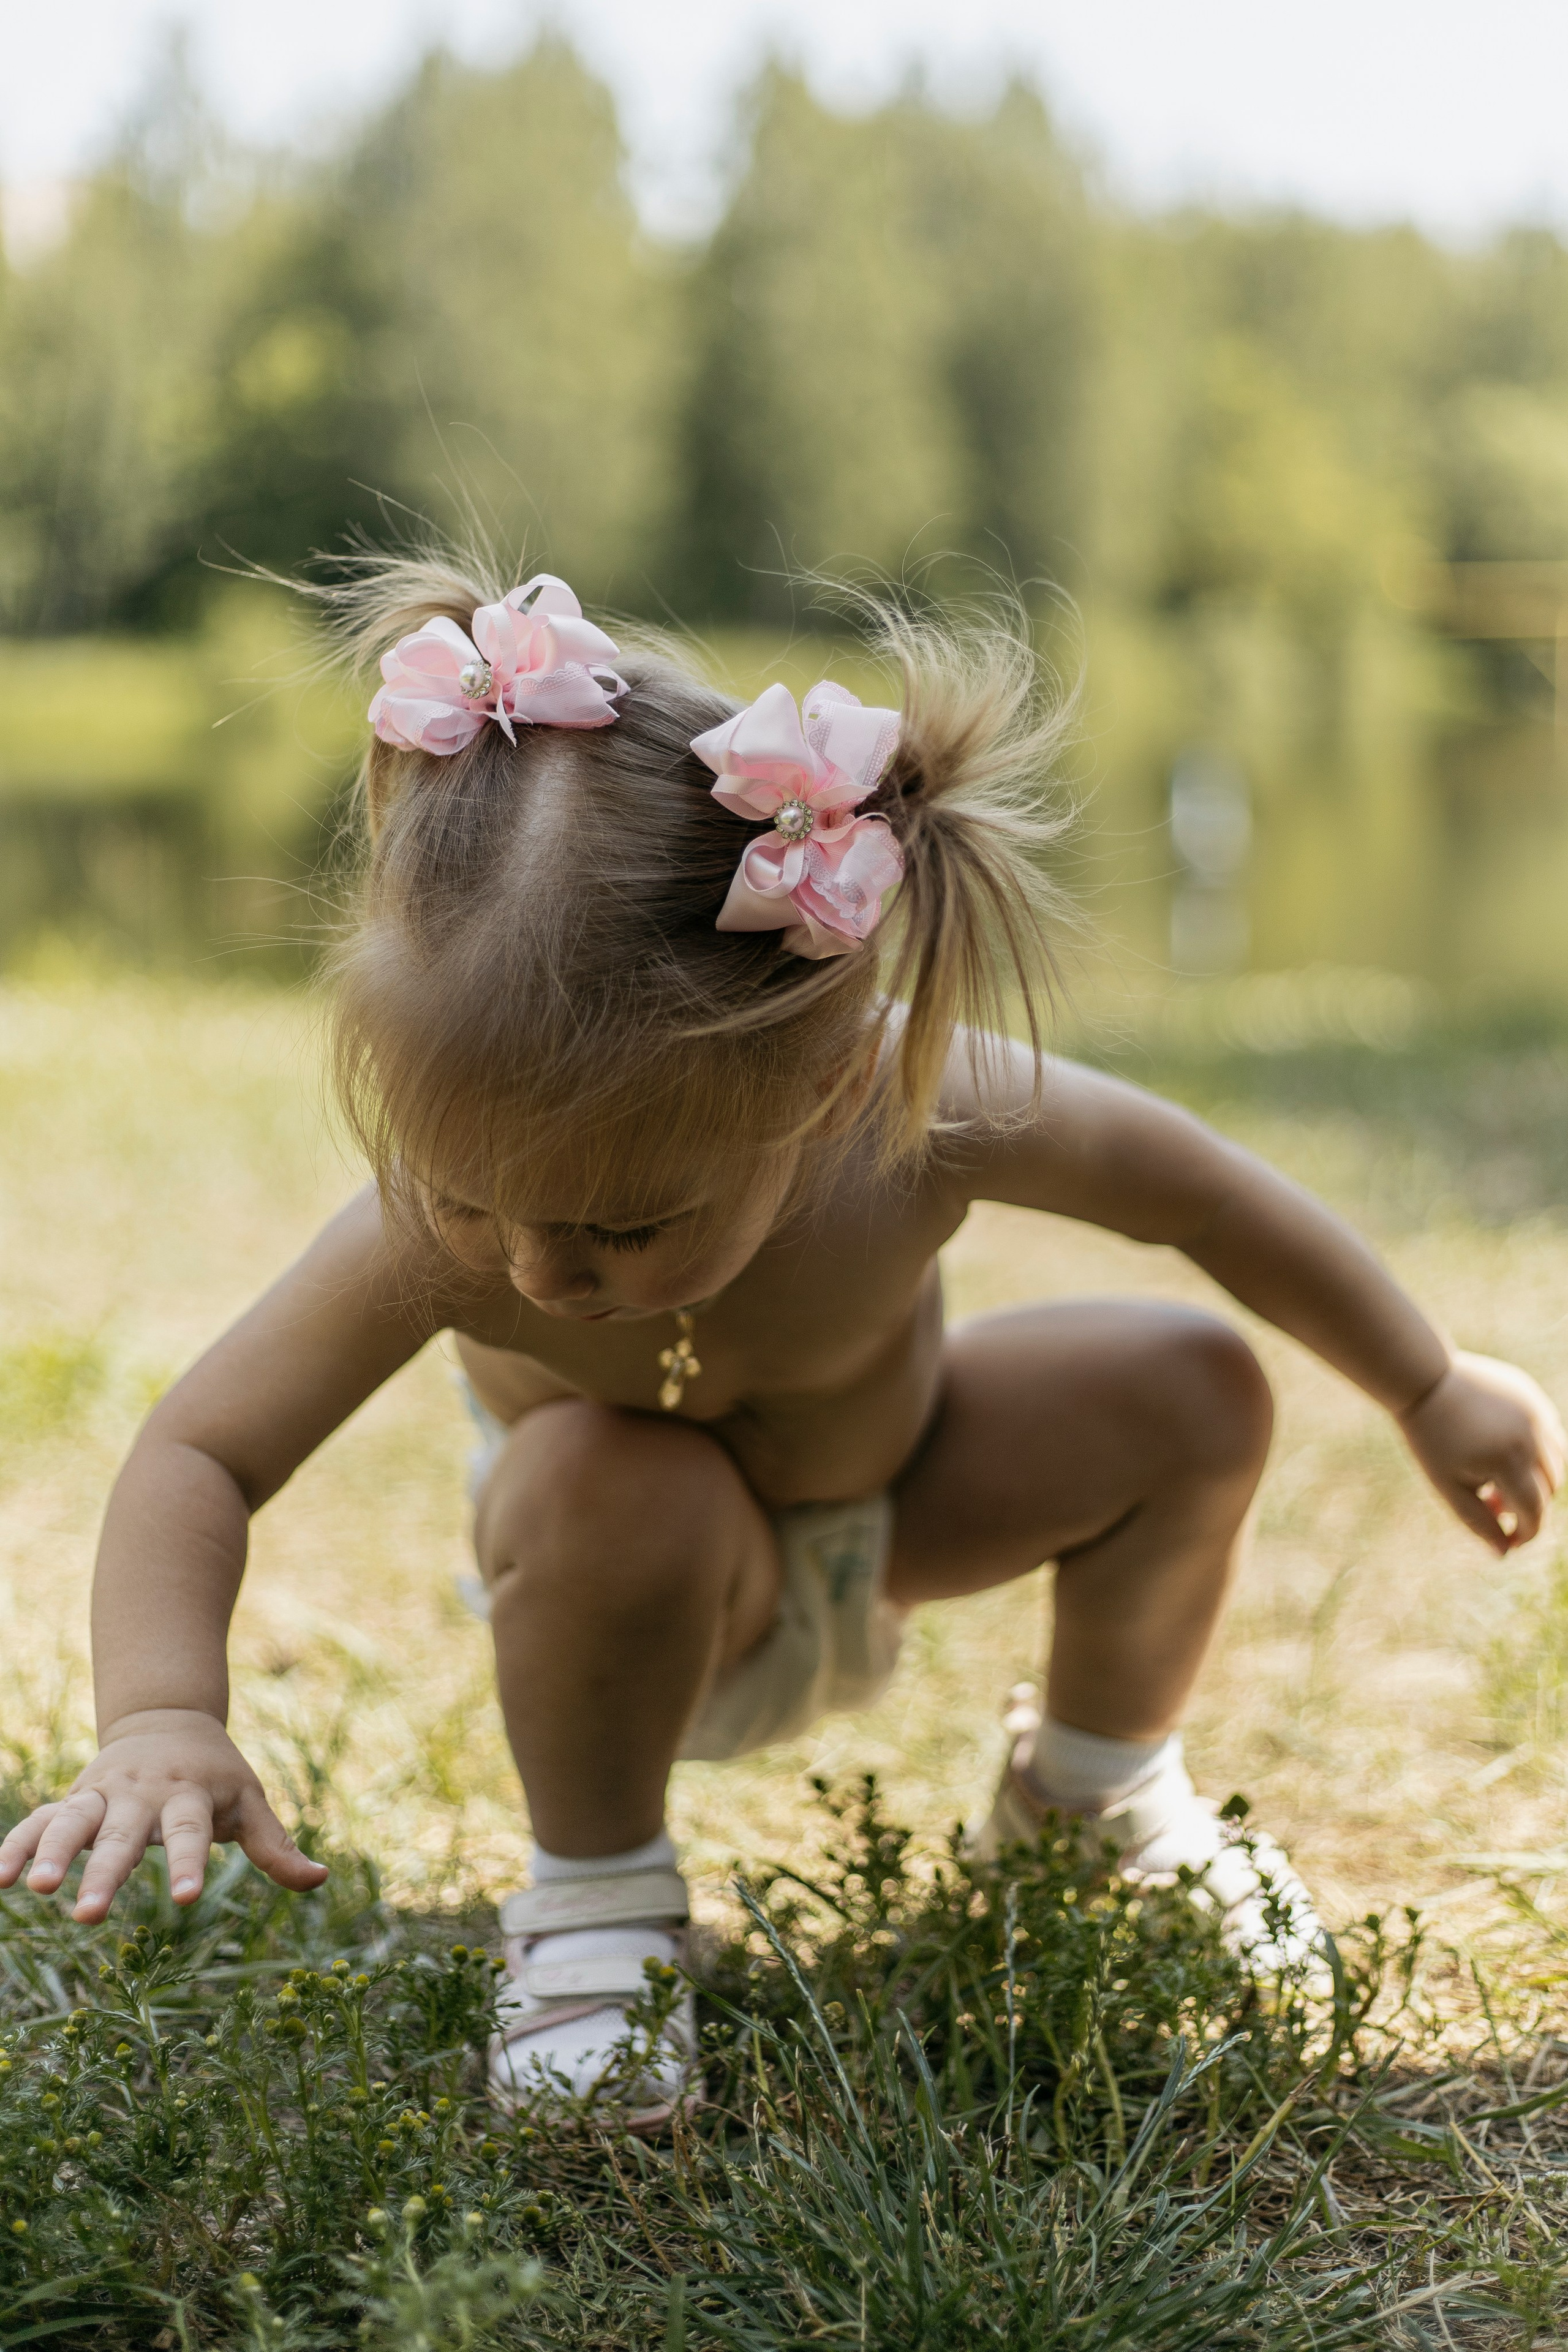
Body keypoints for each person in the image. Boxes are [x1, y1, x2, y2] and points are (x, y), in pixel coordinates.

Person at [2, 564, 1560, 2131]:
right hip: (638, 1592)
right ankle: (597, 1905)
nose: (545, 1273)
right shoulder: (430, 1233)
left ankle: (1094, 1796)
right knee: (605, 1469)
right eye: (481, 1202)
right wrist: (158, 1715)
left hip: (899, 1507)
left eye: (625, 1225)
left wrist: (1424, 1383)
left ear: (811, 1092)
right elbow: (201, 1449)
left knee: (1189, 1382)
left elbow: (1205, 1196)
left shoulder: (914, 1108)